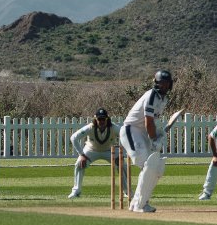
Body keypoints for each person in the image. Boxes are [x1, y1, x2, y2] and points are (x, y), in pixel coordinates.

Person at [119, 70, 175, 213]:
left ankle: (138, 202)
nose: (163, 86)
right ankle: (139, 204)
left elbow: (153, 122)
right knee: (147, 164)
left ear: (170, 85)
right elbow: (148, 121)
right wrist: (154, 138)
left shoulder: (163, 99)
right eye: (161, 83)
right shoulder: (151, 96)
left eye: (166, 84)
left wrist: (158, 134)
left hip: (142, 133)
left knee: (156, 168)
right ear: (156, 83)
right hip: (131, 130)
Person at [67, 108, 118, 199]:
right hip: (91, 150)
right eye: (99, 119)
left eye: (103, 119)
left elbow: (125, 135)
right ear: (95, 119)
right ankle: (76, 191)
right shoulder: (90, 127)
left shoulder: (114, 128)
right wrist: (81, 155)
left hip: (109, 150)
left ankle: (127, 191)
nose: (101, 121)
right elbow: (73, 138)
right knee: (79, 164)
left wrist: (123, 152)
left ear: (107, 119)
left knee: (122, 165)